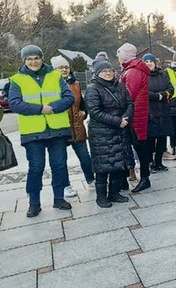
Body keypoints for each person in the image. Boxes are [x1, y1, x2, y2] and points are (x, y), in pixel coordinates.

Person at [9, 45, 75, 217]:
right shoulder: (16, 80)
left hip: (57, 130)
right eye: (29, 59)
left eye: (36, 58)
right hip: (33, 133)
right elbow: (15, 103)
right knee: (36, 167)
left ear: (42, 58)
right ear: (24, 61)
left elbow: (69, 98)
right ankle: (34, 203)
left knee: (59, 165)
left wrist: (51, 108)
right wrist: (40, 109)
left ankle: (59, 198)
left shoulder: (55, 76)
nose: (33, 61)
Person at [85, 59, 135, 208]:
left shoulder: (119, 86)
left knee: (119, 165)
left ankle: (114, 192)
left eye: (110, 70)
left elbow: (130, 103)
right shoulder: (93, 88)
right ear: (97, 73)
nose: (108, 73)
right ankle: (101, 197)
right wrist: (117, 121)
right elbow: (94, 112)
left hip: (121, 130)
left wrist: (126, 117)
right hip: (102, 133)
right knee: (103, 166)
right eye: (104, 71)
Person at [51, 55, 95, 194]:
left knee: (84, 156)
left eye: (66, 67)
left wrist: (84, 113)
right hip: (60, 126)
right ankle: (66, 186)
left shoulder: (75, 84)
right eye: (60, 67)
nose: (64, 69)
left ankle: (90, 179)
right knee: (60, 159)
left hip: (77, 125)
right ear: (54, 70)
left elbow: (82, 102)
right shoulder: (50, 84)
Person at [116, 42, 152, 193]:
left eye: (119, 55)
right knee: (139, 147)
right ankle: (142, 177)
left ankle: (145, 179)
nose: (117, 58)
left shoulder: (133, 72)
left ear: (124, 56)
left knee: (140, 148)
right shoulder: (132, 69)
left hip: (136, 116)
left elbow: (129, 94)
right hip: (137, 114)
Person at [142, 53, 174, 173]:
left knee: (162, 139)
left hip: (164, 110)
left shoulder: (163, 74)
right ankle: (150, 162)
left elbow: (171, 89)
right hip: (150, 111)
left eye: (151, 61)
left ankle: (159, 162)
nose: (149, 63)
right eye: (146, 61)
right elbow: (143, 92)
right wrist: (157, 96)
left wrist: (165, 95)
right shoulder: (142, 75)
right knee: (150, 140)